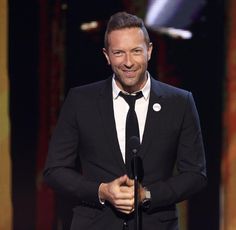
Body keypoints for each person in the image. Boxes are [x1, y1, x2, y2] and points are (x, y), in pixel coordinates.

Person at [43, 11, 207, 230]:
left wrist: (147, 195)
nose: (128, 62)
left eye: (136, 51)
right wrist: (102, 191)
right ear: (107, 56)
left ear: (149, 51)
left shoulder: (180, 102)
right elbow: (55, 170)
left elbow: (195, 175)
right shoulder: (80, 101)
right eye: (119, 53)